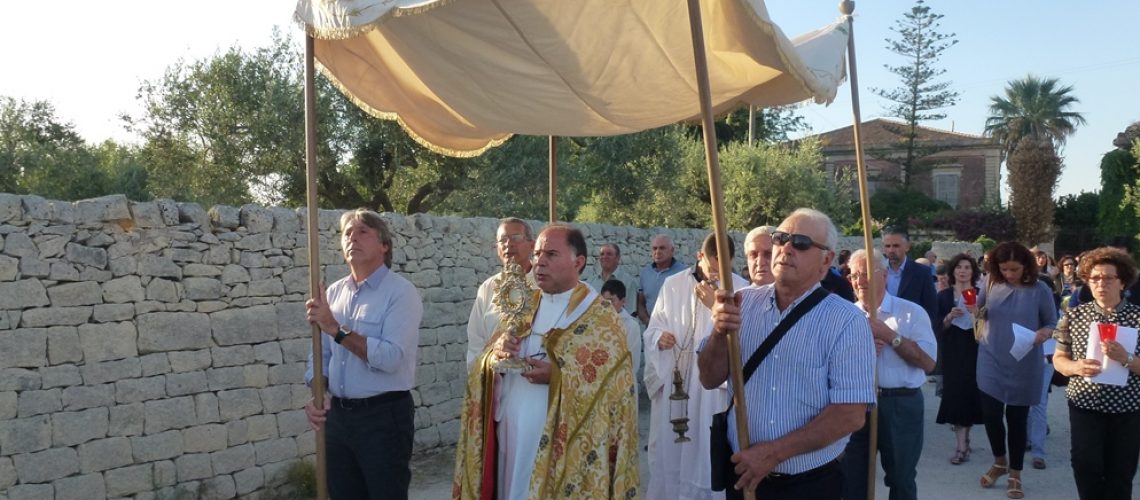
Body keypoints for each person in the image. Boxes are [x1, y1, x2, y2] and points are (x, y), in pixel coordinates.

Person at [698, 208, 876, 500]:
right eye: (780, 239)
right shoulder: (741, 304)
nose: (786, 249)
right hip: (744, 477)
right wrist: (719, 333)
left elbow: (850, 415)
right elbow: (709, 378)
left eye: (801, 243)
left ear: (826, 260)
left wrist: (772, 454)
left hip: (808, 485)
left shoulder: (847, 321)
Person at [453, 224, 639, 500]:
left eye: (551, 254)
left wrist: (558, 376)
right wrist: (496, 354)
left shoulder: (599, 316)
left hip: (563, 446)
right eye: (538, 253)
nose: (539, 261)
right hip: (511, 438)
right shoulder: (524, 305)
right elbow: (485, 360)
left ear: (578, 262)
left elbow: (616, 386)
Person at [304, 209, 423, 499]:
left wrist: (336, 328)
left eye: (363, 232)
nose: (352, 238)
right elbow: (319, 355)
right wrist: (316, 389)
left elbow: (391, 357)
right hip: (339, 418)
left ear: (384, 245)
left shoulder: (401, 293)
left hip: (383, 417)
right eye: (347, 233)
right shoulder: (333, 293)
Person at [643, 233, 750, 500]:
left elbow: (744, 340)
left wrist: (715, 304)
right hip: (680, 379)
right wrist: (660, 338)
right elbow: (654, 327)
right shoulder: (673, 285)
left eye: (721, 269)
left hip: (716, 389)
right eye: (711, 268)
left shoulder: (741, 288)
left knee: (707, 450)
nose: (716, 275)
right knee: (675, 448)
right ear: (699, 257)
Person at [841, 249, 937, 500]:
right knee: (852, 479)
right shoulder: (843, 316)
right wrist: (860, 353)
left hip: (900, 403)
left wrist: (889, 336)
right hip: (856, 403)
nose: (859, 281)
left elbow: (928, 363)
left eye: (866, 274)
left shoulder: (911, 313)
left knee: (901, 479)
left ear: (884, 275)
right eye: (853, 275)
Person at [966, 241, 1058, 499]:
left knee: (1017, 419)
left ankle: (1015, 474)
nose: (1009, 274)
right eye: (1004, 269)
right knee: (991, 414)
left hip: (1025, 359)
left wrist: (1044, 332)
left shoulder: (1040, 289)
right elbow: (981, 312)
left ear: (1025, 266)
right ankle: (999, 461)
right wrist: (975, 311)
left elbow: (1052, 321)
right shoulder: (989, 283)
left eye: (1014, 269)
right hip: (990, 357)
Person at [1053, 247, 1140, 500]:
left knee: (1121, 474)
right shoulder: (1073, 315)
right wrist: (1076, 367)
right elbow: (1059, 359)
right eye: (1094, 278)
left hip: (1128, 409)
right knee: (1085, 466)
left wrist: (1126, 359)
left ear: (1122, 281)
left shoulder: (1137, 318)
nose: (1101, 283)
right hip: (1085, 405)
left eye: (1108, 278)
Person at [466, 217, 536, 369]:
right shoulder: (488, 288)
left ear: (532, 245)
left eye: (515, 238)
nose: (508, 244)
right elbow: (476, 341)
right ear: (497, 249)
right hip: (495, 382)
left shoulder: (544, 285)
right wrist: (491, 359)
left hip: (534, 377)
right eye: (502, 240)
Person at [935, 253, 985, 465]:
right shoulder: (944, 296)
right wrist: (949, 317)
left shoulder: (981, 294)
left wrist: (977, 314)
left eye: (967, 267)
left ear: (973, 272)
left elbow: (986, 328)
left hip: (974, 349)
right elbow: (937, 327)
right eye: (959, 267)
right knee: (955, 393)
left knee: (970, 392)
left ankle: (964, 437)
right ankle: (960, 446)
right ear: (953, 271)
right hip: (953, 349)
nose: (963, 271)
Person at [881, 226, 938, 325]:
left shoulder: (921, 273)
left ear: (907, 247)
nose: (891, 250)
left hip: (910, 334)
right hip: (880, 333)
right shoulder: (876, 272)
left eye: (896, 246)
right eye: (887, 246)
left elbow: (931, 309)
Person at [601, 279, 643, 397]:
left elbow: (632, 361)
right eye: (604, 301)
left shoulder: (631, 326)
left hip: (623, 383)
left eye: (611, 301)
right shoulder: (597, 324)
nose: (606, 305)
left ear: (623, 301)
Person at [638, 234, 688, 324]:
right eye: (654, 248)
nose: (657, 251)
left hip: (677, 329)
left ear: (672, 250)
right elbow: (641, 303)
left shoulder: (684, 273)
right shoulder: (645, 273)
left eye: (662, 248)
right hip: (652, 331)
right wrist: (648, 322)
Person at [586, 243, 639, 315]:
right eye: (602, 254)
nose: (605, 257)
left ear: (617, 258)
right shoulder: (591, 282)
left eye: (609, 254)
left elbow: (630, 312)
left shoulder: (628, 282)